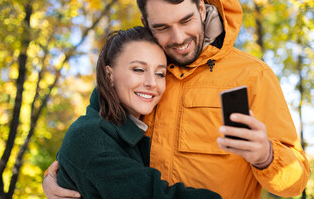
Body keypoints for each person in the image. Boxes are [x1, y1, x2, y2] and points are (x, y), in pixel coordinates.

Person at [43, 0, 310, 199]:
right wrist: (59, 177)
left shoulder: (253, 75)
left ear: (201, 9)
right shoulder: (136, 76)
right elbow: (96, 137)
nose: (179, 37)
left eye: (186, 20)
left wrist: (266, 156)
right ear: (146, 23)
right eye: (162, 27)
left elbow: (294, 182)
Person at [53, 26, 222, 198]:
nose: (151, 83)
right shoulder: (89, 136)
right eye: (139, 70)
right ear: (109, 75)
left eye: (160, 73)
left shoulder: (127, 131)